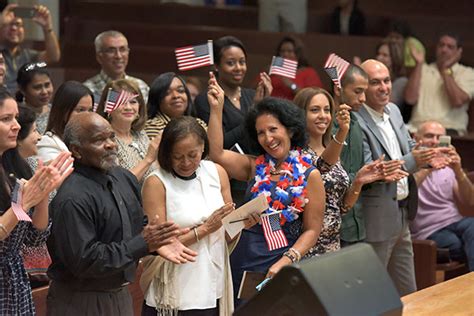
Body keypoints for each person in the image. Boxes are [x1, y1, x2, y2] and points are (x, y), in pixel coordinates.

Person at [46, 112, 197, 315]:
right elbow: (86, 260)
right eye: (99, 140)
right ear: (76, 150)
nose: (111, 145)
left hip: (120, 293)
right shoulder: (72, 198)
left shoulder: (123, 177)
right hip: (81, 300)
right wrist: (143, 243)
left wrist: (157, 241)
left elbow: (136, 226)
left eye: (111, 137)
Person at [206, 73, 325, 305]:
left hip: (279, 263)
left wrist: (287, 260)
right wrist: (216, 109)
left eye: (273, 129)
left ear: (289, 130)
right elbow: (216, 153)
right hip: (241, 259)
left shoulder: (311, 175)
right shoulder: (253, 166)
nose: (267, 138)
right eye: (260, 133)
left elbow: (312, 230)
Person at [141, 116, 258, 315]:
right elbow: (157, 244)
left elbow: (225, 231)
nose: (186, 162)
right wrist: (204, 229)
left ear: (203, 147)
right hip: (175, 285)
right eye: (177, 156)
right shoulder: (156, 182)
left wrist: (241, 223)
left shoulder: (217, 172)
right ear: (167, 153)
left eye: (192, 154)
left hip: (212, 279)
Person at [356, 59, 436, 296]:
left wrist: (428, 155)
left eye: (387, 80)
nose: (384, 87)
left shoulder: (394, 110)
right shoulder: (356, 122)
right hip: (376, 219)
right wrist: (414, 160)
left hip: (402, 214)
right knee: (372, 295)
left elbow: (408, 145)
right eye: (375, 82)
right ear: (362, 87)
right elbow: (373, 170)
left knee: (409, 292)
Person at [0, 89, 73, 315]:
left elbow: (34, 237)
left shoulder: (14, 166)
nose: (17, 125)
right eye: (6, 119)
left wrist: (42, 196)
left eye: (15, 118)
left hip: (14, 279)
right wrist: (21, 205)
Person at [293, 87, 386, 256]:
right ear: (300, 114)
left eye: (327, 110)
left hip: (333, 245)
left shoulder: (330, 150)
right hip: (306, 247)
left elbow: (339, 207)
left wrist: (358, 182)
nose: (323, 115)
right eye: (315, 110)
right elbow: (321, 166)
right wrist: (343, 131)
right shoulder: (296, 154)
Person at [195, 36, 272, 206]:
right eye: (231, 63)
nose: (238, 68)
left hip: (256, 175)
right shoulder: (206, 100)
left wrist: (266, 105)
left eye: (242, 62)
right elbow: (218, 145)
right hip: (226, 182)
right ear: (217, 66)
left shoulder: (252, 95)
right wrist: (253, 112)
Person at [410, 120, 474, 271]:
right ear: (415, 138)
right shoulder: (409, 165)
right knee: (457, 244)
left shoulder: (448, 165)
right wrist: (428, 167)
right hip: (427, 230)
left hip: (454, 221)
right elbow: (408, 192)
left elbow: (470, 200)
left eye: (440, 138)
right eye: (429, 136)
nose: (435, 142)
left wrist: (458, 171)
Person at [405, 33, 474, 135]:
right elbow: (410, 99)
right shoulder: (423, 69)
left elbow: (457, 101)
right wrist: (419, 64)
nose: (444, 50)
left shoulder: (468, 73)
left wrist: (446, 70)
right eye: (441, 45)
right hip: (418, 128)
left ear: (458, 51)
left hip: (450, 129)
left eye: (450, 47)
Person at [96, 79, 159, 183]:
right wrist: (148, 159)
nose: (128, 107)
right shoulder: (106, 142)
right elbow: (120, 184)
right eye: (121, 102)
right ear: (108, 106)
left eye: (133, 101)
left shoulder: (141, 134)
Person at [0, 4, 60, 93]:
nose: (14, 28)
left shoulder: (28, 55)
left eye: (18, 24)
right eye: (8, 24)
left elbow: (53, 57)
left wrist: (47, 27)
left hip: (23, 103)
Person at [83, 30, 149, 102]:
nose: (118, 56)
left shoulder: (141, 86)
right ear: (99, 57)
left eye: (122, 49)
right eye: (111, 51)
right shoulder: (88, 90)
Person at [37, 81, 94, 163]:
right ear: (63, 111)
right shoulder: (48, 144)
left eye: (90, 110)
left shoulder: (91, 141)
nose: (87, 116)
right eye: (80, 110)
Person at [145, 72, 206, 140]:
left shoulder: (198, 123)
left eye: (180, 91)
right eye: (167, 93)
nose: (176, 96)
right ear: (157, 98)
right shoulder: (152, 126)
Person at [270, 36, 323, 100]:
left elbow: (314, 97)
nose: (285, 54)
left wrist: (292, 85)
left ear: (298, 54)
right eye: (282, 51)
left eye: (289, 51)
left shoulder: (309, 73)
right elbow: (255, 90)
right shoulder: (272, 71)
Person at [16, 62, 53, 134]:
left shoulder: (55, 111)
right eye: (37, 87)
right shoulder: (17, 114)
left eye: (47, 85)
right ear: (23, 90)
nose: (44, 92)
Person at [375, 38, 408, 115]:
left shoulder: (402, 81)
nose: (379, 58)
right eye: (378, 54)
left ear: (394, 58)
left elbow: (386, 104)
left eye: (385, 55)